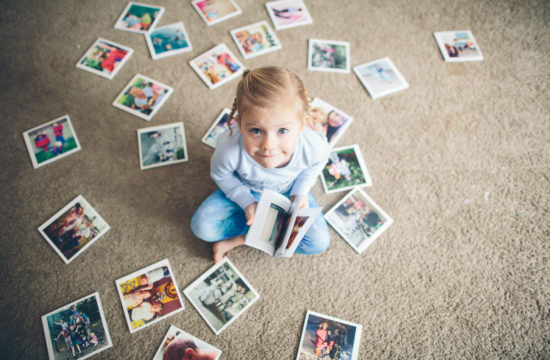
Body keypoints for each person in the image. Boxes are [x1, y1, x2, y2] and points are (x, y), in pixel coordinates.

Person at [191, 67, 331, 262]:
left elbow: (317, 164)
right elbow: (221, 175)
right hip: (247, 190)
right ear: (239, 124)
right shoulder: (229, 149)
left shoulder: (313, 145)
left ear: (301, 125)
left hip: (289, 193)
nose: (268, 146)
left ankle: (243, 239)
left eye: (282, 131)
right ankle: (264, 228)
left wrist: (299, 192)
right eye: (256, 130)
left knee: (319, 243)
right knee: (201, 227)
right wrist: (246, 202)